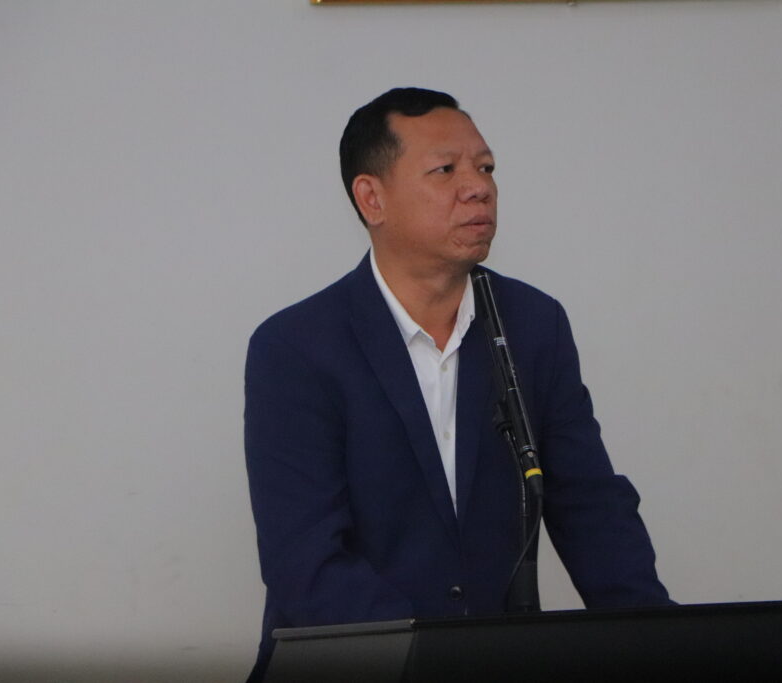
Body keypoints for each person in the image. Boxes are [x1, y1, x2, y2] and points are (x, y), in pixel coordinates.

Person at [243, 87, 670, 681]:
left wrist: (664, 644)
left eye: (486, 168)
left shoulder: (532, 324)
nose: (478, 188)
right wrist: (433, 659)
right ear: (372, 198)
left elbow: (590, 509)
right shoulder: (297, 347)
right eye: (445, 170)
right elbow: (307, 563)